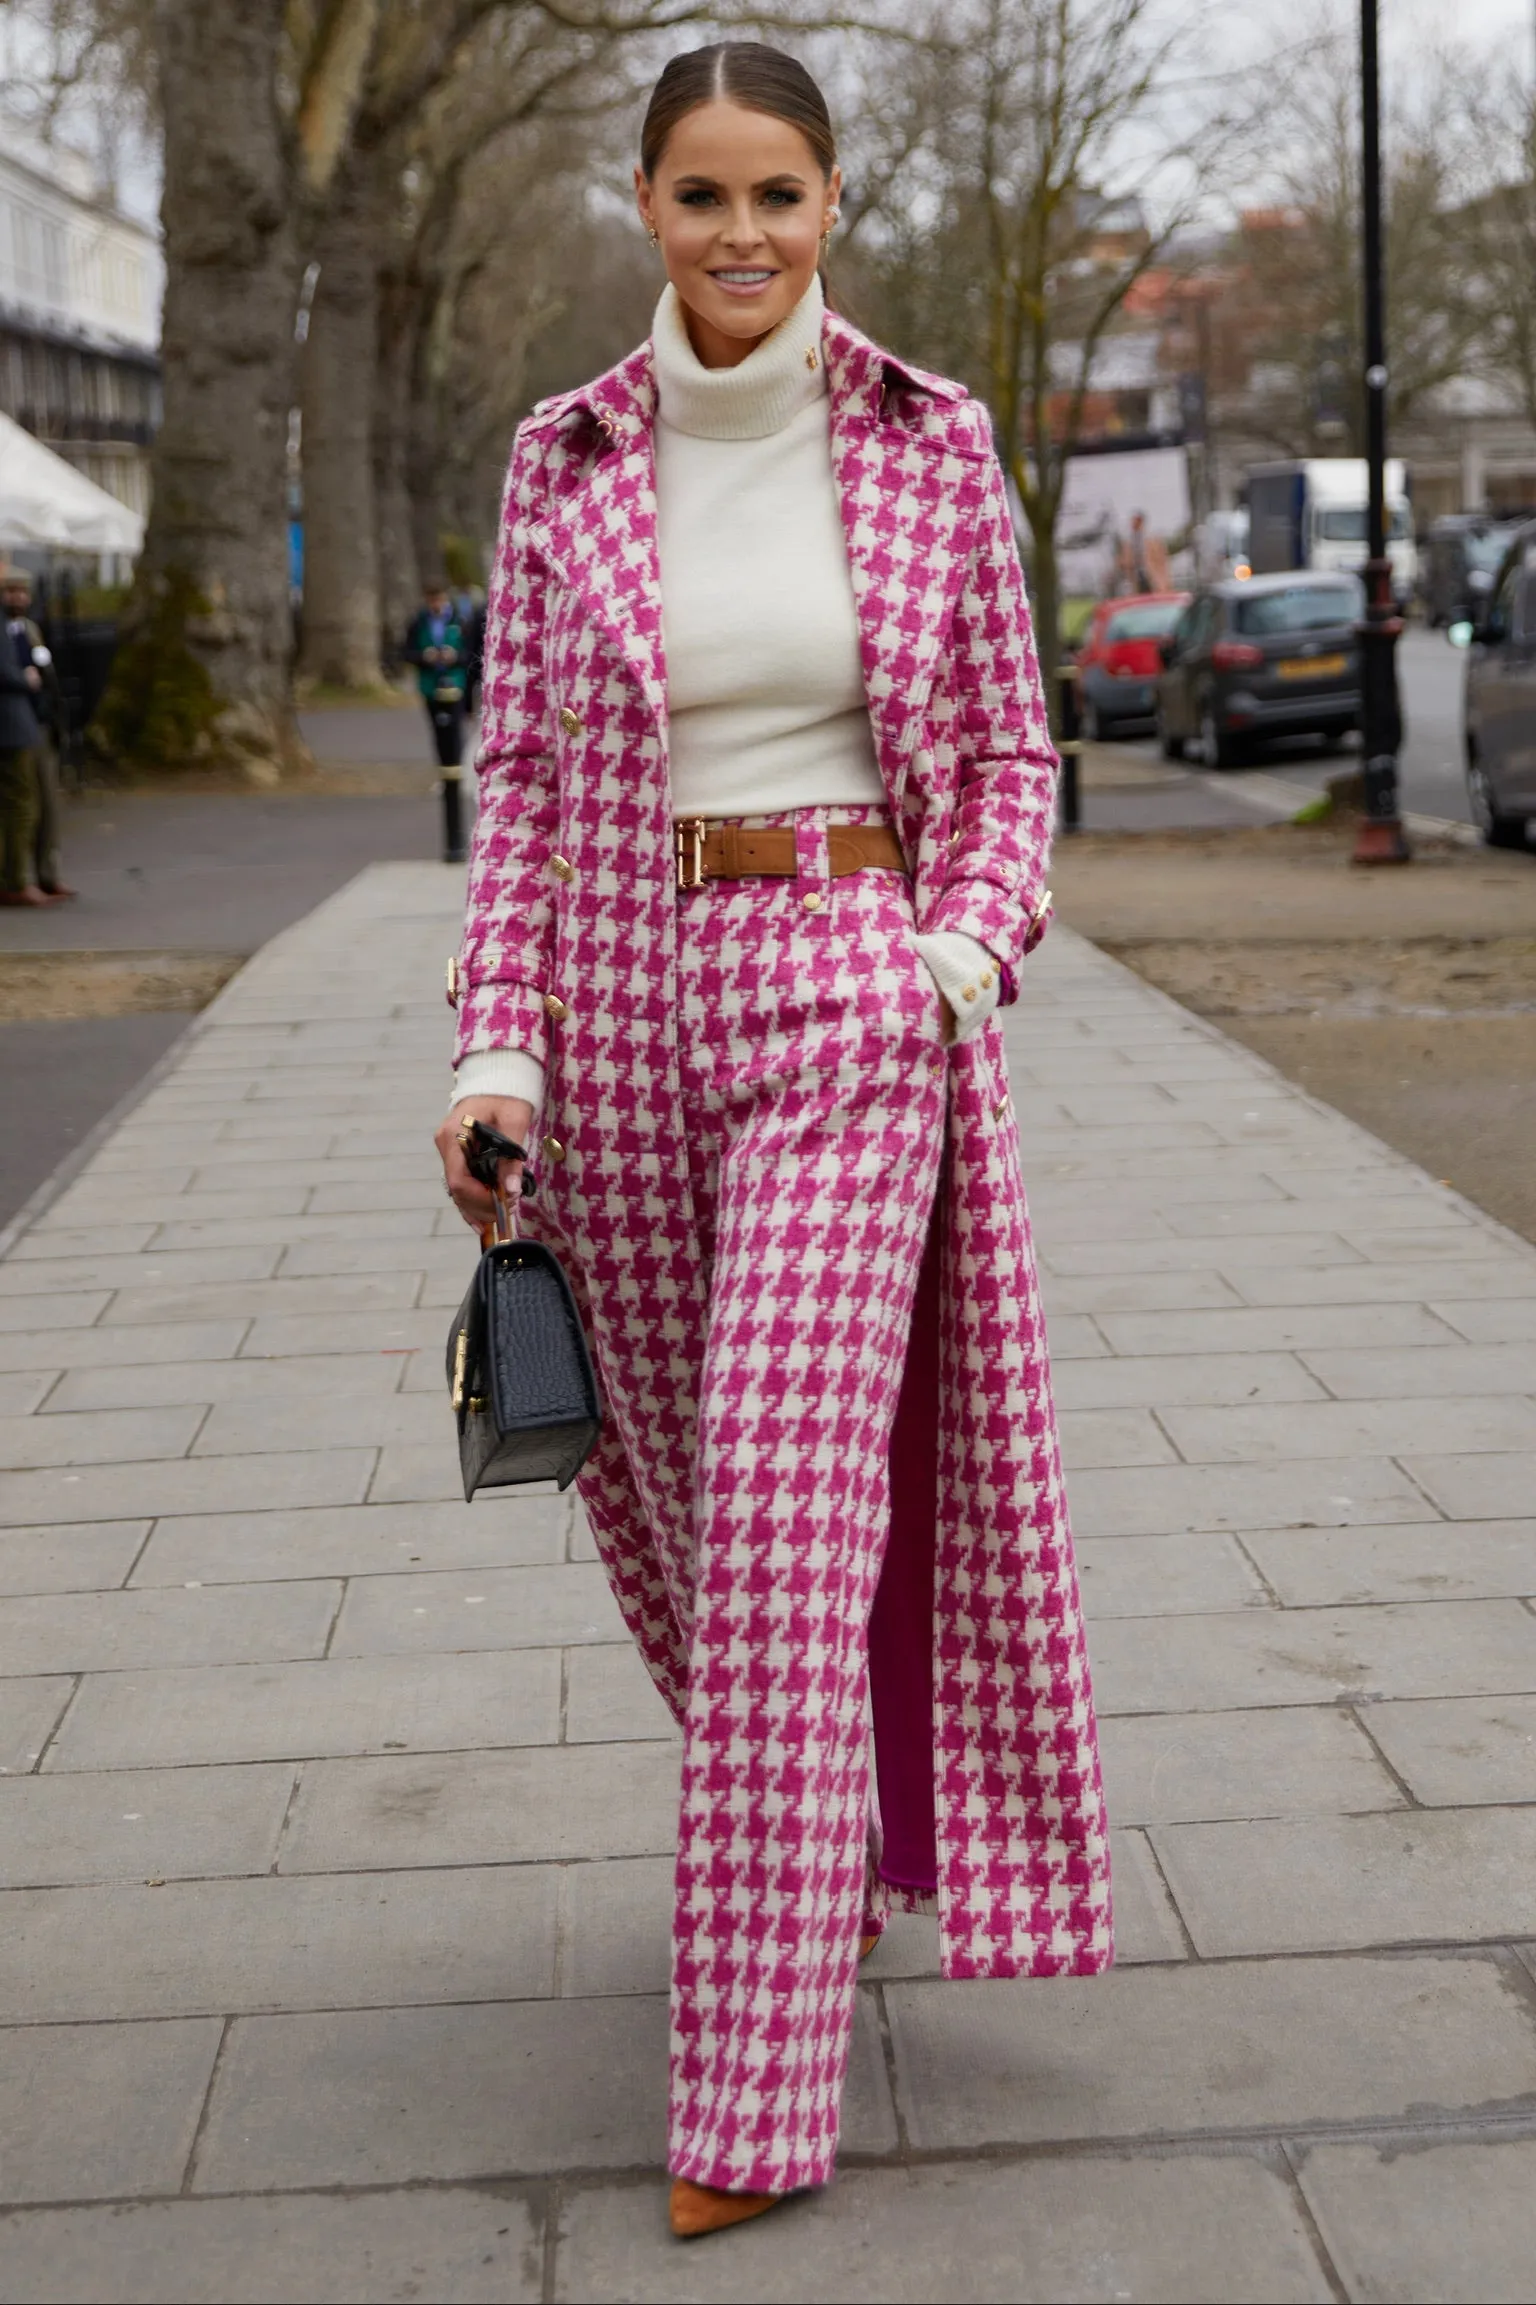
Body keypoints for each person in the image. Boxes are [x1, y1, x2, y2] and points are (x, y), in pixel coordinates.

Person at [434, 41, 1111, 2241]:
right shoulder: (564, 460)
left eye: (782, 199)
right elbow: (521, 787)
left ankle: (748, 2099)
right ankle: (809, 1844)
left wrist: (960, 957)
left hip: (851, 996)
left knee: (790, 1519)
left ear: (836, 205)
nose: (744, 240)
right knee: (686, 1521)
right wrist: (490, 1057)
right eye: (704, 198)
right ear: (644, 203)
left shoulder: (932, 437)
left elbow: (1014, 758)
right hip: (623, 1024)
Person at [1, 571, 71, 902]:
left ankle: (47, 874)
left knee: (46, 803)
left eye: (22, 591)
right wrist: (22, 680)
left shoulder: (30, 629)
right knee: (21, 804)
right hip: (14, 727)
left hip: (38, 724)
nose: (18, 597)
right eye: (10, 591)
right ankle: (18, 878)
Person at [402, 579, 470, 770]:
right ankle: (444, 764)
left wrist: (454, 656)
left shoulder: (460, 621)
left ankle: (456, 763)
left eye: (439, 600)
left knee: (454, 727)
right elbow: (407, 653)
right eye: (432, 600)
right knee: (438, 727)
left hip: (455, 683)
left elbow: (471, 653)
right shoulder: (418, 622)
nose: (436, 605)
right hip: (430, 684)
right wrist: (425, 656)